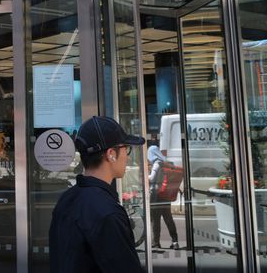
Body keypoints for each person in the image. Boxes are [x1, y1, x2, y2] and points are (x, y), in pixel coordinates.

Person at [49, 116, 145, 273]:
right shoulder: (107, 212)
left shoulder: (66, 199)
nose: (127, 156)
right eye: (125, 148)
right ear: (111, 154)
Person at [147, 144, 179, 249]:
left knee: (155, 219)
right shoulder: (167, 163)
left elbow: (152, 179)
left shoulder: (157, 163)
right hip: (166, 194)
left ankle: (156, 242)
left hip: (156, 195)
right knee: (168, 218)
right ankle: (175, 242)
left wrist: (144, 175)